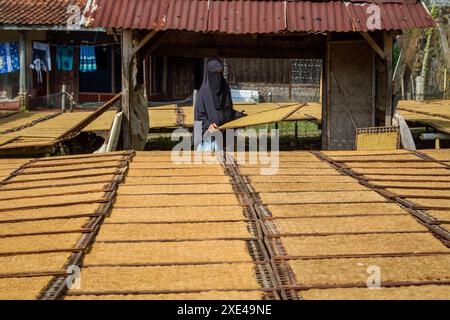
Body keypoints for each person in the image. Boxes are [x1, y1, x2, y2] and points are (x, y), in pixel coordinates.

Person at [194, 58, 246, 151]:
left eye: (220, 73)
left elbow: (228, 111)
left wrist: (239, 116)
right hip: (206, 140)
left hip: (225, 137)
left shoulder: (225, 88)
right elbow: (199, 118)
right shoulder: (203, 93)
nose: (218, 77)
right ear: (210, 75)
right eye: (215, 73)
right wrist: (208, 125)